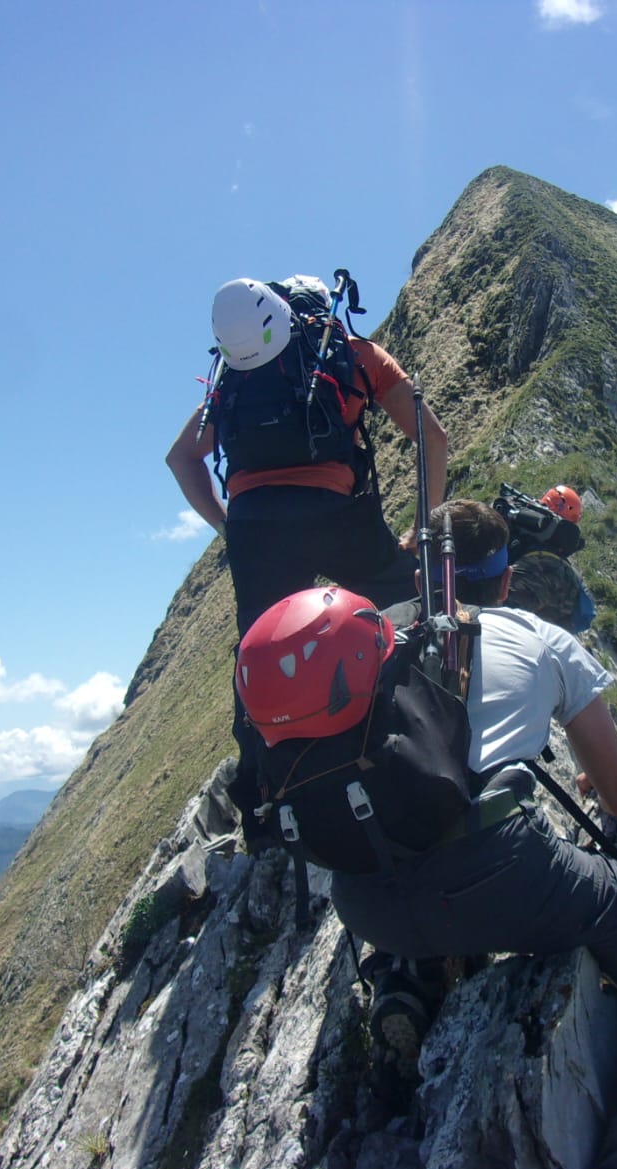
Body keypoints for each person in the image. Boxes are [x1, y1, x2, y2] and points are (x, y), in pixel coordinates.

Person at [329, 499, 617, 1169]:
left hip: (363, 897)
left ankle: (412, 976)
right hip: (500, 874)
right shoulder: (542, 639)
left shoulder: (378, 636)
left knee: (422, 837)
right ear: (506, 580)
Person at [166, 275, 448, 828]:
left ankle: (266, 796)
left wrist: (228, 529)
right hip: (335, 514)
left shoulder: (232, 379)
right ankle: (411, 726)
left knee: (260, 650)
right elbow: (431, 438)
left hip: (255, 526)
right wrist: (423, 524)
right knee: (401, 596)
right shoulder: (349, 352)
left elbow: (182, 459)